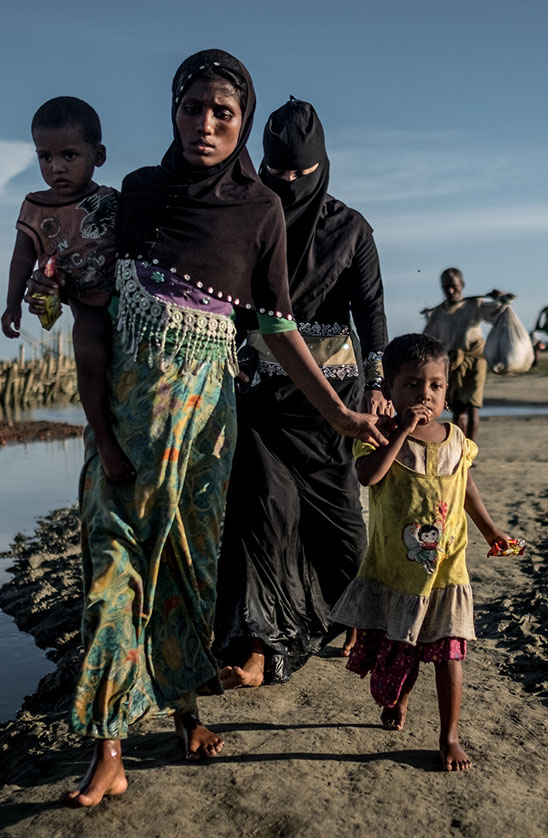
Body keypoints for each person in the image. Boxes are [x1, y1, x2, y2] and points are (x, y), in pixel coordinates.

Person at [25, 49, 386, 808]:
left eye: (224, 113)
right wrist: (96, 416)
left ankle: (184, 714)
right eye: (194, 109)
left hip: (201, 438)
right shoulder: (137, 196)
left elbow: (278, 328)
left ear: (243, 122)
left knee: (184, 579)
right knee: (111, 586)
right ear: (173, 112)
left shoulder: (257, 212)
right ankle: (110, 753)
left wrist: (343, 411)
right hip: (123, 432)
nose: (206, 124)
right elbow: (93, 308)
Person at [213, 97, 390, 689]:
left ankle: (352, 621)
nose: (288, 184)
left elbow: (371, 318)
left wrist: (381, 388)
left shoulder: (351, 229)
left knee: (343, 528)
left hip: (333, 407)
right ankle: (261, 647)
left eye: (301, 174)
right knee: (263, 514)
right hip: (260, 397)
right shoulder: (246, 219)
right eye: (277, 173)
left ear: (323, 167)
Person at [328, 333, 518, 772]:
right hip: (398, 571)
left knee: (449, 651)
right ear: (389, 390)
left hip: (448, 570)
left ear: (447, 390)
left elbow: (465, 486)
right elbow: (370, 478)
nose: (425, 395)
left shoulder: (457, 438)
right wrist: (403, 431)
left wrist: (490, 530)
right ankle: (402, 699)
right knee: (406, 647)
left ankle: (449, 736)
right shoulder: (377, 436)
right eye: (412, 385)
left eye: (435, 385)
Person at [2, 96, 126, 479]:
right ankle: (106, 444)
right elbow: (22, 259)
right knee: (88, 361)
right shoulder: (34, 207)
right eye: (45, 157)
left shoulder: (110, 201)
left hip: (127, 300)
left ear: (98, 155)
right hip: (85, 305)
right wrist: (12, 305)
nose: (55, 167)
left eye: (69, 155)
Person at [421, 268, 510, 441]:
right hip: (452, 361)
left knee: (472, 406)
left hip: (475, 359)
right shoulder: (439, 313)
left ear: (462, 285)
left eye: (454, 286)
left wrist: (500, 299)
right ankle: (460, 450)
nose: (451, 291)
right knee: (458, 409)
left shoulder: (474, 305)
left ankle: (471, 450)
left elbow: (496, 313)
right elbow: (427, 338)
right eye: (446, 287)